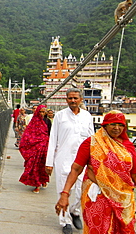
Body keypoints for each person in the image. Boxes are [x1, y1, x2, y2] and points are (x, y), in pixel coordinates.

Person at [55, 110, 136, 233]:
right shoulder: (91, 143)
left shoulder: (128, 147)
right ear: (105, 125)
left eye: (121, 125)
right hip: (97, 196)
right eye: (113, 124)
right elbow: (76, 169)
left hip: (124, 199)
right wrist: (65, 194)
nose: (117, 128)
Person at [46, 88, 94, 234]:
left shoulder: (87, 116)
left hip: (82, 160)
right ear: (66, 100)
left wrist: (93, 161)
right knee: (63, 190)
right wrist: (49, 162)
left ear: (81, 100)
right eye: (70, 98)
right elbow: (53, 139)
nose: (72, 101)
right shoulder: (60, 116)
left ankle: (75, 211)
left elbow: (92, 138)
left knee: (82, 190)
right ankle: (64, 221)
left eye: (75, 98)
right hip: (63, 158)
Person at [19, 105, 51, 193]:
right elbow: (28, 134)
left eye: (44, 112)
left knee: (42, 165)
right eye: (40, 112)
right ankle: (37, 184)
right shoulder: (33, 122)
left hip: (44, 147)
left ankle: (43, 180)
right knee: (34, 166)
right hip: (35, 148)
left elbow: (50, 133)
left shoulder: (47, 121)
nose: (42, 114)